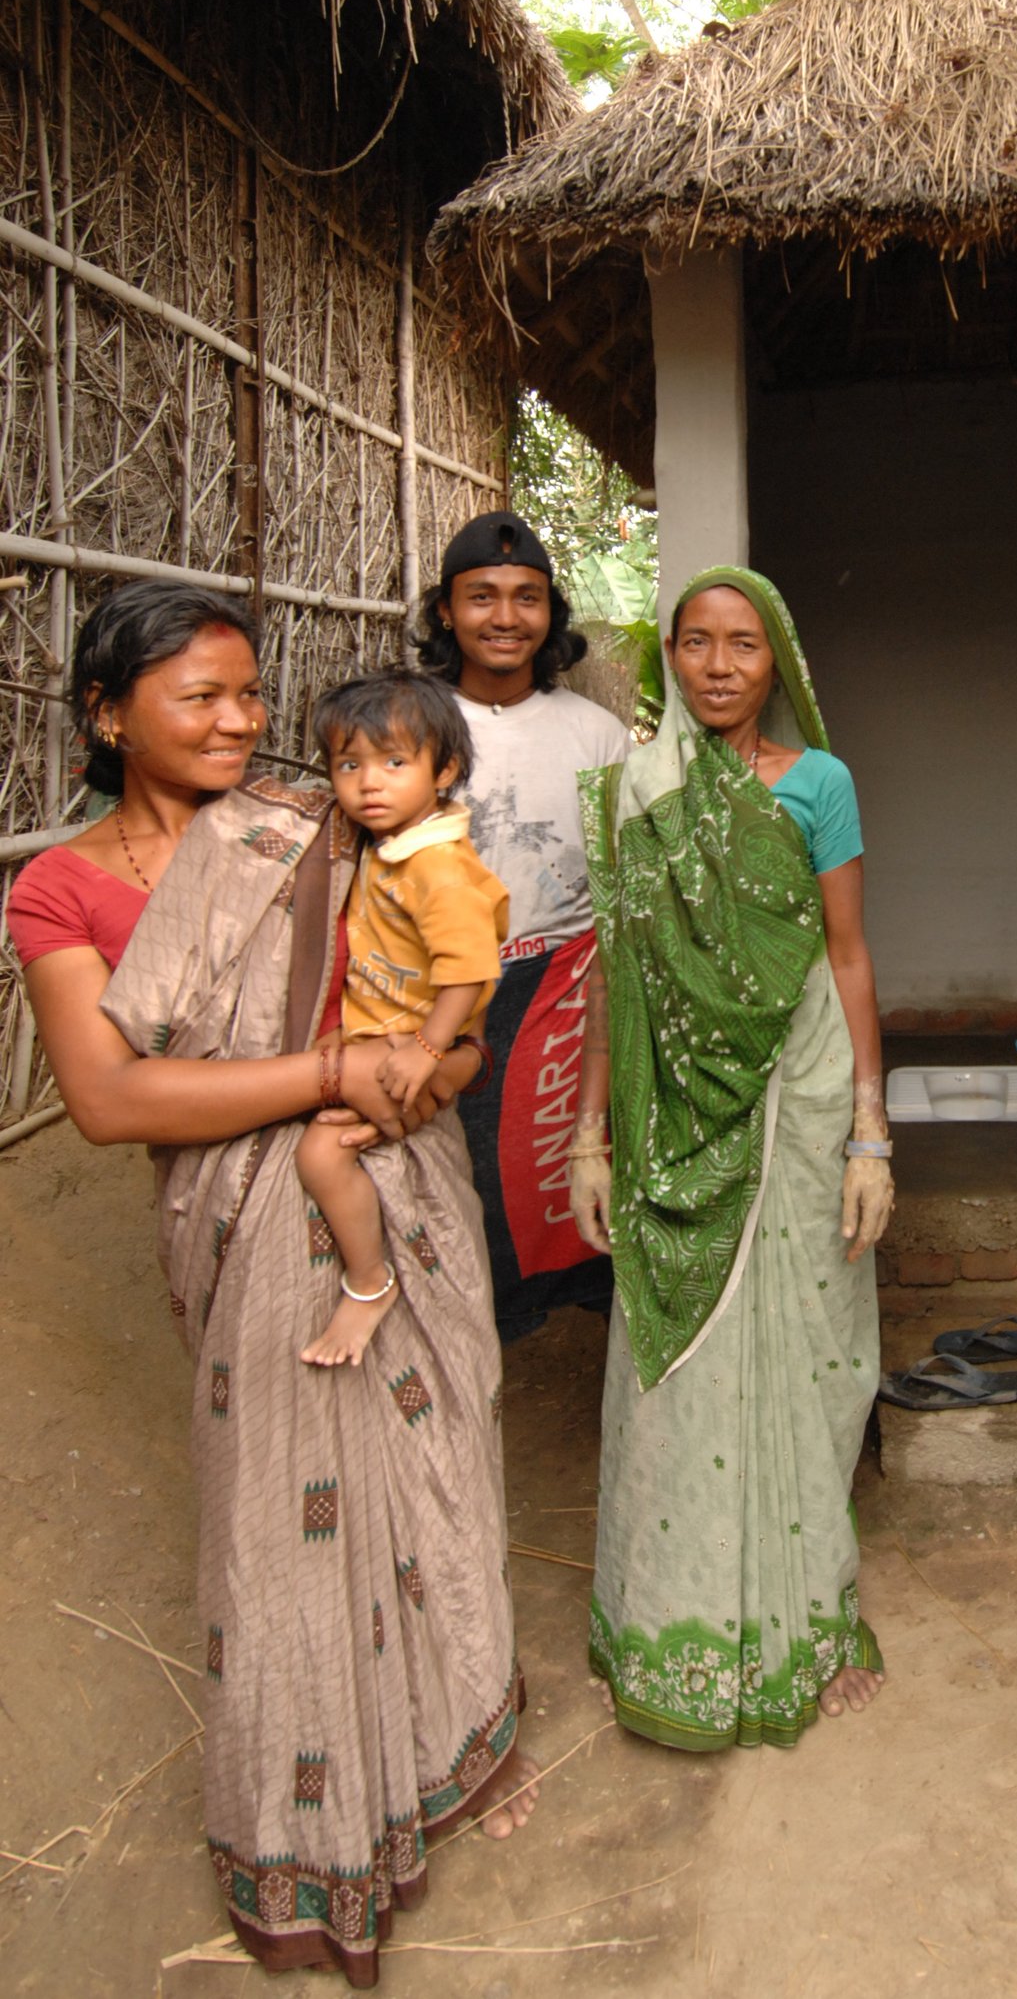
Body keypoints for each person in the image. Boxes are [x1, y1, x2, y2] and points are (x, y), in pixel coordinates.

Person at [8, 582, 539, 1984]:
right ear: (108, 714)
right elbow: (112, 1099)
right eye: (203, 696)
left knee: (426, 1479)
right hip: (248, 1228)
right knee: (283, 1544)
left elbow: (453, 993)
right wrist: (323, 1076)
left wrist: (436, 1069)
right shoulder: (61, 885)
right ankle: (309, 1845)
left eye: (251, 693)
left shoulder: (328, 819)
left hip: (388, 1188)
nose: (243, 720)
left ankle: (440, 1756)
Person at [571, 566, 895, 1748]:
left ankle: (805, 1623)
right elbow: (617, 973)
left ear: (778, 662)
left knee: (812, 1354)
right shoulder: (631, 792)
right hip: (668, 1122)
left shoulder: (819, 785)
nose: (716, 665)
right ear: (666, 658)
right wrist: (588, 1132)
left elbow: (849, 955)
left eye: (742, 645)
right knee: (678, 1378)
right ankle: (669, 1628)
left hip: (796, 1098)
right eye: (695, 642)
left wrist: (869, 1126)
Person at [417, 512, 629, 1342]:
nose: (505, 617)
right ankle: (476, 1334)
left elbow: (621, 879)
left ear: (551, 613)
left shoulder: (595, 733)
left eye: (526, 598)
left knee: (565, 1157)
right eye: (481, 597)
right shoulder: (408, 722)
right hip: (444, 991)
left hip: (568, 988)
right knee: (459, 1173)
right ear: (445, 611)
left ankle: (579, 1300)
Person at [296, 671, 508, 1369]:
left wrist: (427, 1047)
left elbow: (471, 969)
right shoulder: (388, 847)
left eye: (394, 762)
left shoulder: (435, 866)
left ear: (442, 770)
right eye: (348, 765)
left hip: (410, 1046)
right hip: (380, 1036)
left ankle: (367, 1282)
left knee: (322, 1153)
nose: (368, 783)